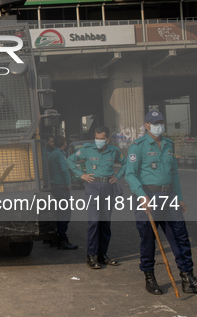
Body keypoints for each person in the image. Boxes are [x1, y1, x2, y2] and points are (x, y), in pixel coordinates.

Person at [125, 110, 197, 295]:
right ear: (147, 125)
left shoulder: (168, 144)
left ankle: (187, 276)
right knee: (149, 238)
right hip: (148, 197)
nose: (159, 126)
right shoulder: (138, 146)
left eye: (161, 122)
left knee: (180, 236)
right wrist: (141, 195)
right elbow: (130, 174)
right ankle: (150, 277)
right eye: (155, 122)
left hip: (169, 196)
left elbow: (174, 174)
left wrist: (179, 198)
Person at [67, 126, 127, 269]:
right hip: (93, 187)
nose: (99, 141)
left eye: (102, 138)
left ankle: (102, 254)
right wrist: (81, 175)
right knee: (94, 222)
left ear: (107, 138)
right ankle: (91, 256)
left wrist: (118, 176)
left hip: (108, 188)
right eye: (97, 138)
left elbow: (126, 163)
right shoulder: (87, 149)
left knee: (105, 224)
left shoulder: (114, 150)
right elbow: (70, 160)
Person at [48, 135, 77, 250]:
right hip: (61, 188)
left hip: (53, 187)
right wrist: (68, 184)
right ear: (64, 143)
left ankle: (55, 238)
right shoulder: (60, 155)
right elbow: (65, 170)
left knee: (57, 213)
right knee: (64, 214)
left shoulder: (51, 155)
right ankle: (62, 239)